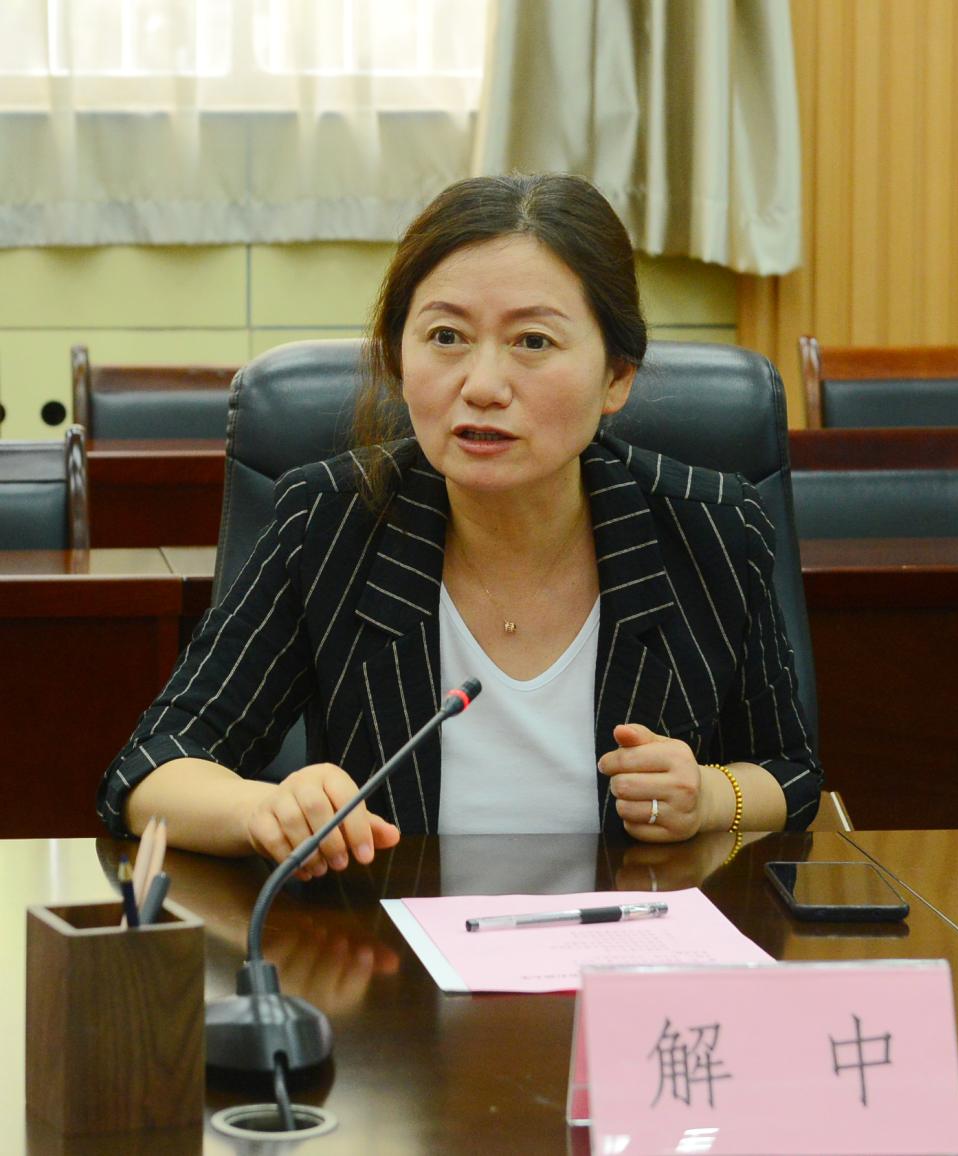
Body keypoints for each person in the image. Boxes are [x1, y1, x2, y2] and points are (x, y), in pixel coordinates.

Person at [97, 173, 822, 880]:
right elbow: (149, 771)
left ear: (617, 376)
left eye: (532, 342)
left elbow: (790, 777)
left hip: (629, 950)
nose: (482, 385)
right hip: (391, 951)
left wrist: (709, 798)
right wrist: (264, 809)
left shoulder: (711, 530)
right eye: (446, 336)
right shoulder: (329, 524)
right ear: (397, 357)